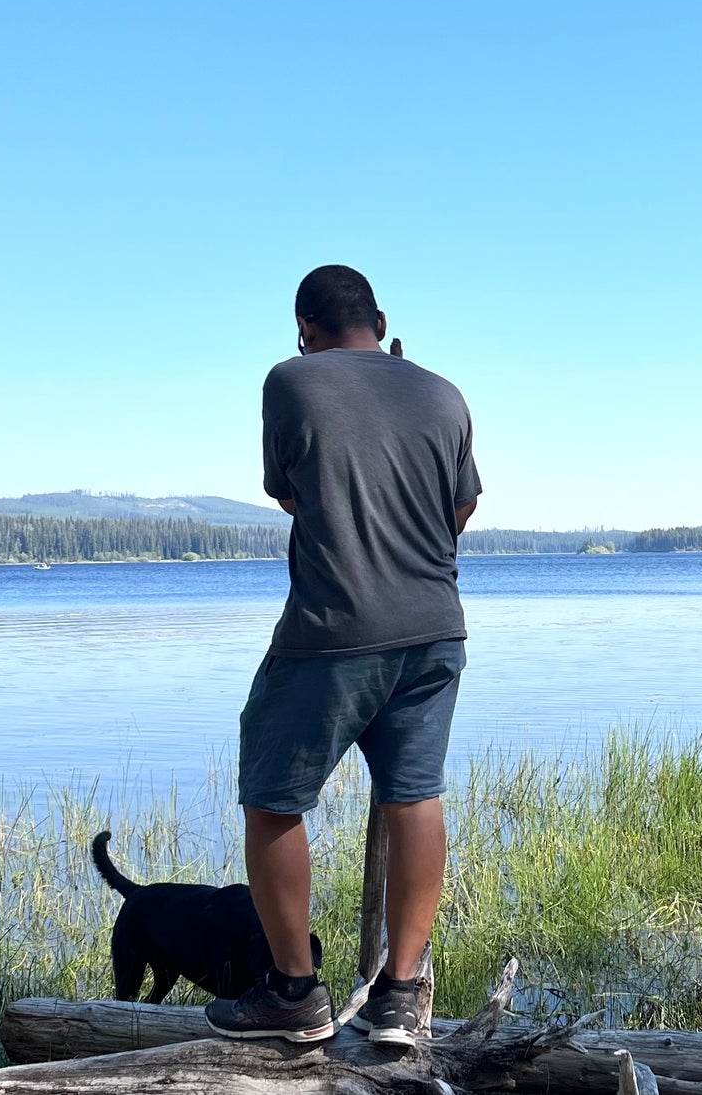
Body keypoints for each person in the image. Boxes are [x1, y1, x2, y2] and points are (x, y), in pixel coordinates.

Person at [206, 264, 480, 1046]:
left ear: (306, 329)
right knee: (415, 793)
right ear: (380, 318)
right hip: (436, 627)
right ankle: (399, 995)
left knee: (271, 796)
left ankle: (294, 992)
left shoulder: (291, 380)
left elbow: (291, 492)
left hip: (333, 629)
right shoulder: (444, 393)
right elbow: (459, 506)